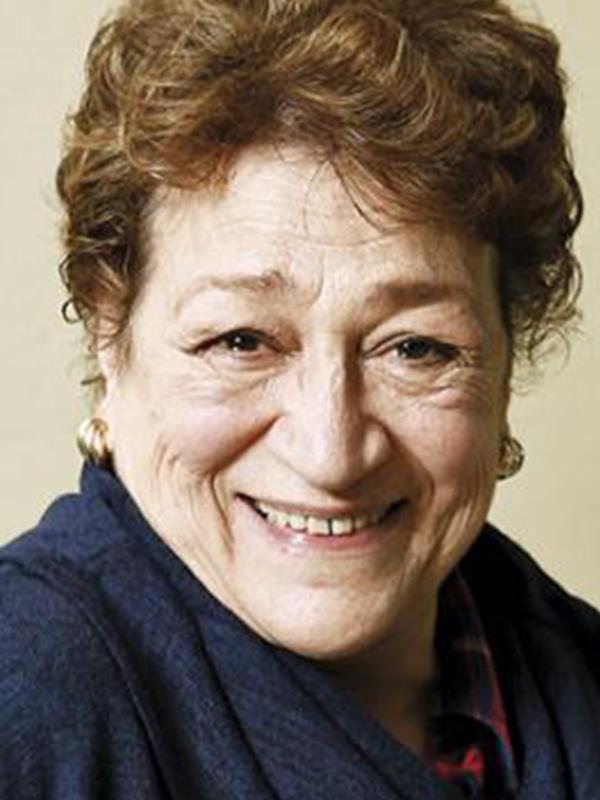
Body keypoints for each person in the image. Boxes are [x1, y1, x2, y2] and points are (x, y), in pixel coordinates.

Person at [1, 0, 598, 797]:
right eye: (242, 340)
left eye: (415, 348)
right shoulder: (26, 692)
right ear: (112, 336)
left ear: (504, 358)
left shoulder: (575, 670)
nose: (331, 453)